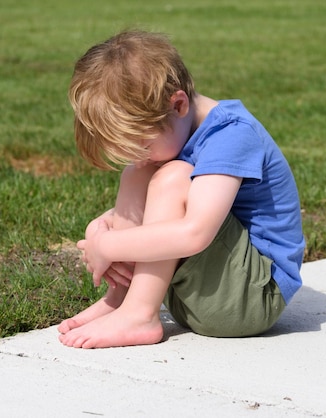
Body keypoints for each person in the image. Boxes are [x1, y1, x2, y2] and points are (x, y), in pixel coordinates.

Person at [58, 30, 305, 349]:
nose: (139, 155)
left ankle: (139, 315)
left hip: (252, 296)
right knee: (139, 173)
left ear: (178, 105)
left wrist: (110, 245)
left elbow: (195, 232)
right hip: (212, 289)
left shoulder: (231, 135)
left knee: (172, 176)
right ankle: (122, 300)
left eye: (142, 143)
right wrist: (103, 227)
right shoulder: (178, 133)